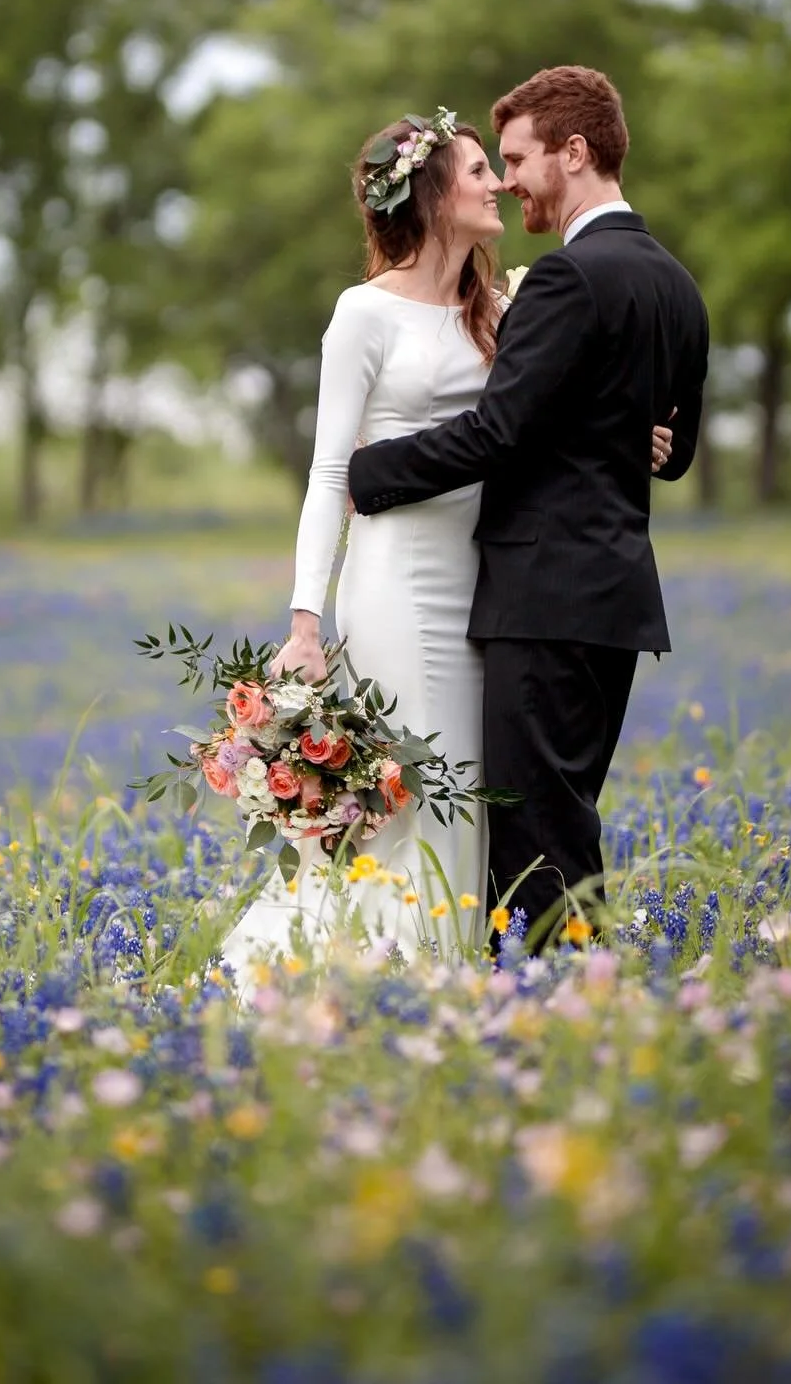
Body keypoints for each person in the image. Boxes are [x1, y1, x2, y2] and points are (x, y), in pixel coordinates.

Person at [219, 99, 676, 977]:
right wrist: (306, 620)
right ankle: (383, 972)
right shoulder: (363, 313)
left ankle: (458, 971)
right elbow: (328, 473)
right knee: (417, 790)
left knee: (478, 789)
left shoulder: (501, 306)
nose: (500, 182)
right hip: (397, 579)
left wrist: (634, 435)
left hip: (490, 580)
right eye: (478, 171)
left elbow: (544, 418)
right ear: (431, 196)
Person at [347, 66, 708, 947]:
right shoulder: (677, 286)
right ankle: (568, 1004)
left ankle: (556, 1011)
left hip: (544, 596)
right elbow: (673, 449)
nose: (507, 180)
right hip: (615, 601)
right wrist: (623, 438)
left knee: (537, 841)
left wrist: (371, 472)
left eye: (516, 159)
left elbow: (495, 434)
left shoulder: (565, 280)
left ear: (574, 153)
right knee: (565, 819)